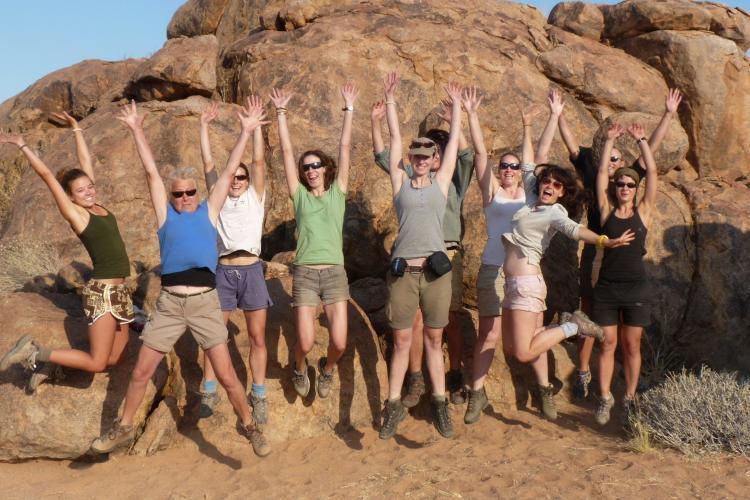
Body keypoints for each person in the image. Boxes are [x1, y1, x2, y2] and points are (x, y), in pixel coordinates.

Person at [89, 99, 270, 457]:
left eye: (190, 192)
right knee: (141, 372)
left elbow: (229, 170)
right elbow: (151, 173)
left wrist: (246, 132)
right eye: (178, 194)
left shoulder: (209, 210)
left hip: (204, 302)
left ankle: (251, 427)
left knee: (227, 375)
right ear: (170, 197)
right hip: (170, 304)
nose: (185, 197)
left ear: (197, 193)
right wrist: (136, 130)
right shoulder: (165, 216)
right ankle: (123, 427)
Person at [500, 90, 635, 421]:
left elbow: (578, 231)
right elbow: (537, 157)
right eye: (547, 181)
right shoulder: (530, 198)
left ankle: (574, 326)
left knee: (523, 352)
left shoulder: (555, 212)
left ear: (562, 193)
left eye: (557, 185)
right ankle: (564, 337)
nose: (549, 185)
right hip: (513, 284)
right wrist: (547, 119)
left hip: (527, 284)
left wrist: (604, 240)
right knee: (515, 346)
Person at [558, 89, 682, 399]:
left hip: (623, 260)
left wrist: (667, 115)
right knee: (589, 312)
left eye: (616, 160)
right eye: (608, 158)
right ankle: (583, 372)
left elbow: (651, 156)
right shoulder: (596, 174)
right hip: (596, 251)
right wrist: (558, 116)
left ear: (623, 163)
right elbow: (574, 149)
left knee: (623, 330)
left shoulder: (629, 178)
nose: (614, 168)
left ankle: (621, 384)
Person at [0, 111, 134, 392]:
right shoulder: (78, 215)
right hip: (102, 293)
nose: (88, 192)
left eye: (90, 187)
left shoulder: (98, 207)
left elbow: (86, 163)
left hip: (120, 292)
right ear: (71, 196)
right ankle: (36, 351)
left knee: (118, 358)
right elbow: (48, 176)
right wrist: (23, 146)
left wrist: (76, 129)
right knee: (98, 362)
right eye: (81, 191)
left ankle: (52, 364)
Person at [371, 96, 475, 407]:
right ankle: (416, 378)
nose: (431, 155)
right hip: (415, 258)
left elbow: (464, 153)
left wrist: (454, 120)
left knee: (449, 319)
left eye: (436, 150)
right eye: (426, 151)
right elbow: (385, 156)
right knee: (414, 322)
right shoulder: (412, 176)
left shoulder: (453, 181)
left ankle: (454, 374)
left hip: (447, 254)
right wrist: (377, 121)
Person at [269, 82, 358, 400]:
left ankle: (328, 368)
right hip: (305, 273)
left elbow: (345, 148)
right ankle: (298, 366)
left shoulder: (338, 193)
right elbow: (286, 152)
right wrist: (281, 112)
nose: (311, 170)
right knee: (304, 342)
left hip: (334, 273)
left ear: (325, 168)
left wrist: (348, 109)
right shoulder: (300, 196)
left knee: (340, 342)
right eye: (306, 167)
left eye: (316, 165)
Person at [196, 98, 273, 423]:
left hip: (252, 271)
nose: (237, 180)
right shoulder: (218, 196)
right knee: (215, 335)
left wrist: (253, 129)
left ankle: (259, 393)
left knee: (257, 337)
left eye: (242, 176)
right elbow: (208, 164)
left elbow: (258, 162)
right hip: (224, 272)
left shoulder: (255, 197)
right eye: (234, 176)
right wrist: (203, 126)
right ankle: (209, 389)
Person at [459, 89, 526, 425]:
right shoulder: (493, 193)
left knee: (524, 336)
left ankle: (543, 388)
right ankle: (477, 392)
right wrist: (471, 114)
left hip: (523, 271)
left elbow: (537, 156)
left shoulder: (529, 194)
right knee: (489, 333)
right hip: (493, 267)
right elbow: (480, 155)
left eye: (514, 166)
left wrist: (531, 126)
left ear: (521, 170)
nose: (509, 169)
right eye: (505, 166)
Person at [591, 123, 657, 426]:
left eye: (630, 185)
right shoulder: (606, 211)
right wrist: (609, 141)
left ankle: (629, 398)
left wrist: (641, 140)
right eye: (621, 184)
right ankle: (605, 397)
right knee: (607, 343)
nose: (625, 188)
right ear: (615, 188)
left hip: (635, 289)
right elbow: (601, 174)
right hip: (607, 288)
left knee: (632, 345)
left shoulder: (643, 211)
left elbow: (652, 173)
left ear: (635, 189)